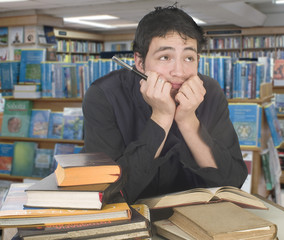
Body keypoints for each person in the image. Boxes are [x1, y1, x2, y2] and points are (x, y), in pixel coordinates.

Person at [81, 5, 248, 204]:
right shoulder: (104, 95)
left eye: (188, 57)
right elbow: (107, 194)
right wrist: (161, 118)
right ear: (140, 62)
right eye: (165, 57)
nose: (179, 71)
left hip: (196, 218)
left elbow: (233, 182)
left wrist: (188, 121)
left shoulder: (209, 91)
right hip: (131, 220)